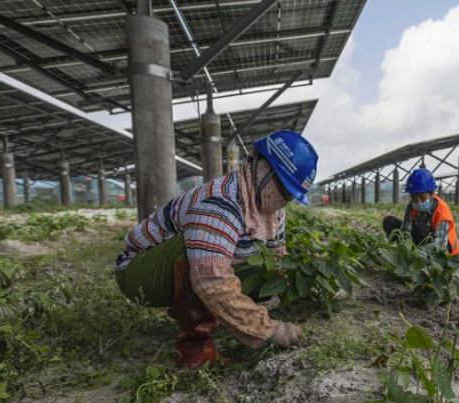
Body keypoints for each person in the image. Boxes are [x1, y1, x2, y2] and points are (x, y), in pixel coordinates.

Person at [113, 131, 318, 368]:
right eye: (282, 187)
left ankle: (213, 315)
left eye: (290, 195)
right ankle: (197, 352)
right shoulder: (219, 203)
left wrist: (299, 281)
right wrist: (269, 330)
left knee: (259, 264)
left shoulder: (272, 211)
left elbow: (277, 254)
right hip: (138, 273)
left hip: (178, 270)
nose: (284, 199)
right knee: (204, 260)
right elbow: (211, 280)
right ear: (261, 169)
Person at [382, 168, 459, 255]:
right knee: (389, 221)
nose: (418, 202)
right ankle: (403, 254)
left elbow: (440, 244)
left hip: (444, 250)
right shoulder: (412, 205)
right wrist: (403, 250)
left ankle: (421, 259)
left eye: (423, 197)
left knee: (420, 228)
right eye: (414, 198)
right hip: (420, 240)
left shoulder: (442, 211)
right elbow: (406, 231)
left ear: (431, 194)